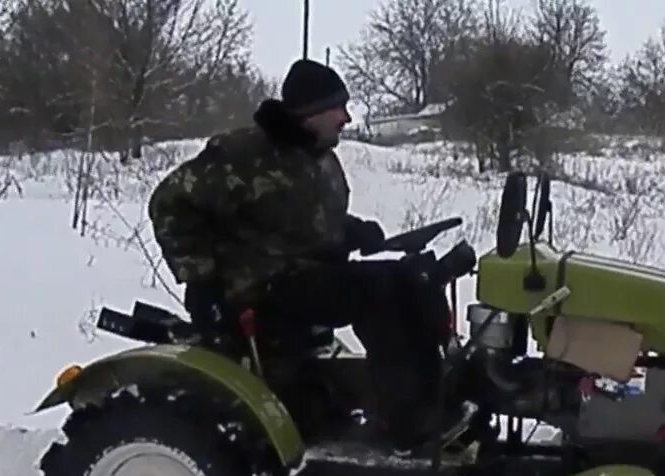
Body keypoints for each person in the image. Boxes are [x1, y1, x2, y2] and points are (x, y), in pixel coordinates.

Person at [146, 58, 469, 453]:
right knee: (378, 290)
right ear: (310, 111)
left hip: (306, 276)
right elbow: (170, 204)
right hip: (262, 286)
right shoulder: (242, 155)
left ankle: (436, 396)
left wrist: (351, 231)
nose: (346, 118)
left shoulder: (321, 159)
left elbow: (300, 221)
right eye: (339, 108)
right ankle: (407, 422)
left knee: (408, 278)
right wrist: (201, 279)